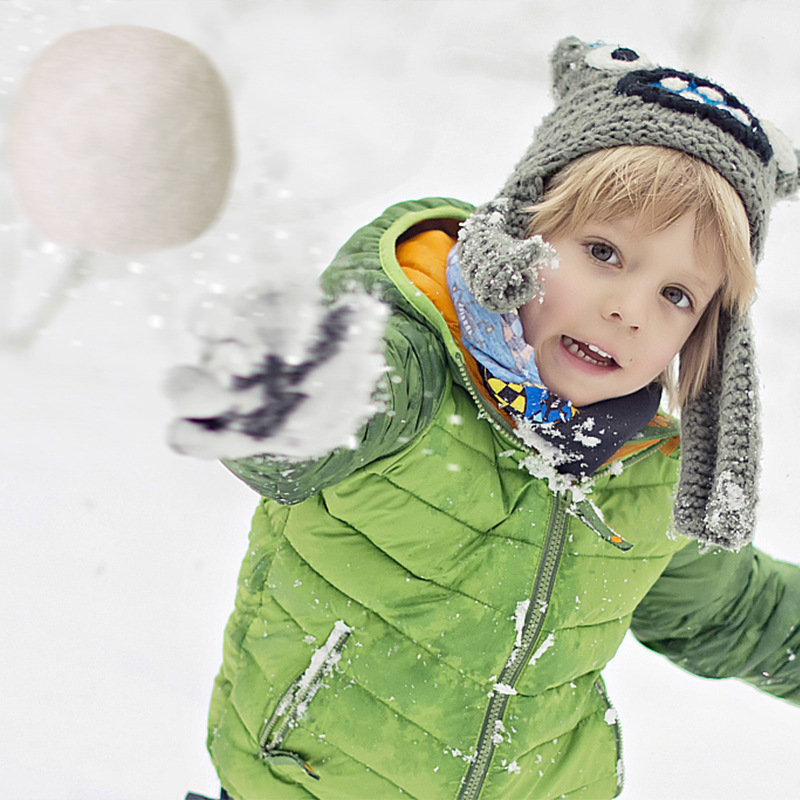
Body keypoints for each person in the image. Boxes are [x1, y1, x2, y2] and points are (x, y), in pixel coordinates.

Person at [174, 37, 800, 800]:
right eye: (603, 251)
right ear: (520, 228)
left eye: (677, 296)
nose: (628, 309)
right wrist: (286, 391)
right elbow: (314, 427)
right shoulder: (417, 373)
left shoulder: (646, 477)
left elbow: (735, 613)